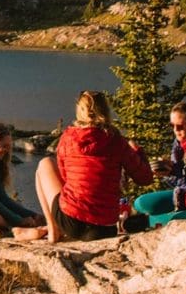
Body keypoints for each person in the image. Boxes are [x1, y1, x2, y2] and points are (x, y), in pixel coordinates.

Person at [36, 90, 152, 242]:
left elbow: (65, 178)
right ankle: (54, 229)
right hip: (105, 228)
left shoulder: (68, 138)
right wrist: (137, 151)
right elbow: (145, 178)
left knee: (44, 164)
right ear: (105, 110)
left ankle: (53, 229)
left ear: (79, 111)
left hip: (71, 222)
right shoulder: (117, 141)